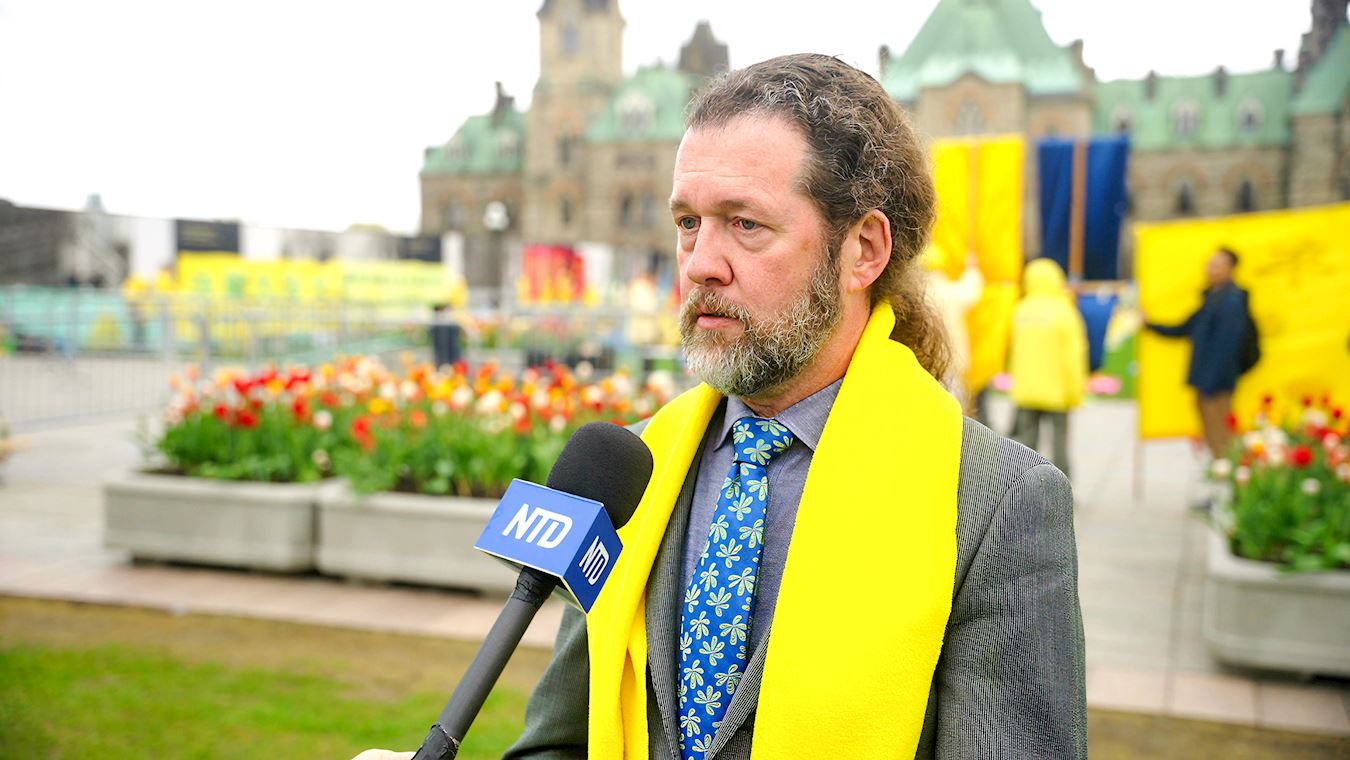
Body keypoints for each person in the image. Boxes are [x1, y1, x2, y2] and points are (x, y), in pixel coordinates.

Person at [354, 54, 1085, 760]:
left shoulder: (998, 503)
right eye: (688, 223)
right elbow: (558, 746)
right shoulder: (631, 470)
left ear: (863, 249)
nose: (700, 262)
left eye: (745, 224)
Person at [1145, 247, 1253, 459]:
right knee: (1212, 432)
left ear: (1230, 269)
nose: (1210, 269)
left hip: (1217, 382)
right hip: (1207, 380)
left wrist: (1210, 382)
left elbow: (1227, 347)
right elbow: (1184, 328)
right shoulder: (1213, 298)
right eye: (1210, 264)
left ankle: (1227, 472)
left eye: (1217, 265)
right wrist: (1150, 324)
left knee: (1219, 433)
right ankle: (1223, 470)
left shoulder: (1231, 300)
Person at [1008, 258, 1089, 480]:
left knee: (1025, 445)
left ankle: (1022, 486)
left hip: (1026, 390)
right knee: (1059, 442)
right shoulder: (1064, 311)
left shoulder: (1020, 310)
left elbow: (1013, 351)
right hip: (1058, 392)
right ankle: (1063, 487)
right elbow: (1073, 356)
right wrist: (1075, 393)